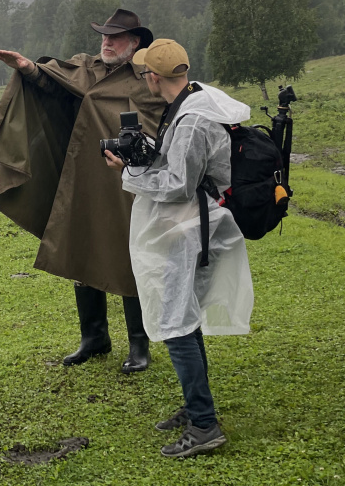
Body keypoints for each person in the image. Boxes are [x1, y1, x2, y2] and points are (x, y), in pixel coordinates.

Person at [0, 9, 164, 373]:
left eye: (115, 37)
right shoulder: (86, 68)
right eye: (104, 36)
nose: (106, 43)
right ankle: (94, 339)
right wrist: (29, 69)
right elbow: (52, 85)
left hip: (128, 179)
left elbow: (164, 120)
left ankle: (139, 344)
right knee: (81, 245)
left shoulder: (146, 77)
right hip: (83, 173)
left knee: (131, 254)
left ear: (135, 42)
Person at [104, 38, 254, 458]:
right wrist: (145, 155)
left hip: (190, 229)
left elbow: (179, 185)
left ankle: (204, 425)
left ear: (154, 77)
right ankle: (195, 407)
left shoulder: (192, 120)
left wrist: (127, 172)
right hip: (188, 225)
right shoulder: (191, 100)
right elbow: (182, 165)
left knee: (175, 322)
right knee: (184, 317)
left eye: (144, 73)